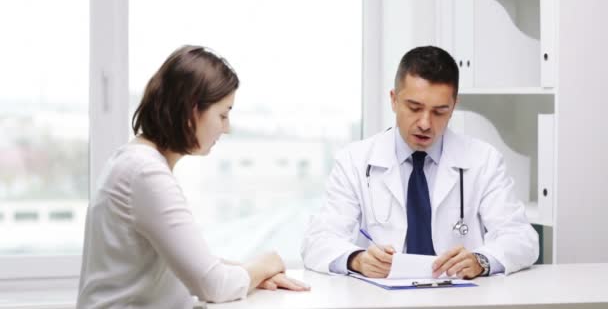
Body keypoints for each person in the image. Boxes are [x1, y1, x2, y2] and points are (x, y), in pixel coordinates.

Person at [77, 45, 309, 308]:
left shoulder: (134, 162)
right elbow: (213, 285)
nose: (227, 127)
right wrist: (265, 265)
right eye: (222, 114)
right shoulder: (146, 173)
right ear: (191, 111)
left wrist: (252, 274)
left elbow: (193, 268)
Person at [301, 46, 538, 279]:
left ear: (454, 107)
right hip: (381, 301)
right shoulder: (354, 161)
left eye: (439, 112)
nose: (425, 123)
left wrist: (481, 261)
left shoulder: (483, 160)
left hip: (459, 301)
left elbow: (521, 238)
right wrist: (357, 260)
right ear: (394, 100)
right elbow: (317, 241)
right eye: (414, 108)